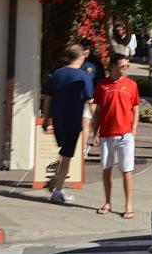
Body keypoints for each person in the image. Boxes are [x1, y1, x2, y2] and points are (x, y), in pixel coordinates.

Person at [41, 45, 94, 204]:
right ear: (82, 57)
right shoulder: (83, 76)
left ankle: (57, 181)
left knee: (64, 153)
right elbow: (90, 100)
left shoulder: (57, 73)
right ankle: (57, 191)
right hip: (73, 122)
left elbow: (47, 98)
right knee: (66, 157)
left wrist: (45, 118)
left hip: (58, 121)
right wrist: (96, 123)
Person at [92, 54, 140, 219]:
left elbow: (135, 108)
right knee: (106, 169)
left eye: (127, 65)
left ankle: (128, 205)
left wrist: (134, 128)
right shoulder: (101, 85)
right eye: (123, 66)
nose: (126, 68)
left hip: (125, 135)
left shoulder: (132, 85)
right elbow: (97, 111)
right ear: (113, 66)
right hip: (106, 135)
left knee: (127, 171)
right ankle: (107, 202)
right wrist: (95, 133)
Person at [80, 39, 106, 158]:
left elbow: (101, 80)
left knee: (93, 120)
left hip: (92, 97)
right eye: (82, 48)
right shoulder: (78, 61)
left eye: (86, 49)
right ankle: (83, 147)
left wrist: (98, 96)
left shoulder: (95, 63)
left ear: (89, 49)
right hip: (79, 97)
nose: (84, 51)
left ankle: (95, 135)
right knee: (84, 122)